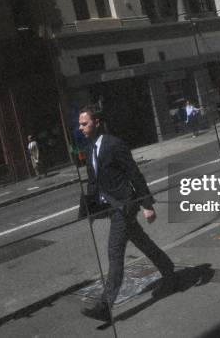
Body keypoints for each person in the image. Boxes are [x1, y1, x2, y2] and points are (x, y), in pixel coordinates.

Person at [77, 105, 177, 323]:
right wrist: (91, 210)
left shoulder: (114, 144)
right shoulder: (91, 148)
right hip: (113, 208)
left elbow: (134, 173)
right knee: (142, 242)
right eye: (80, 124)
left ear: (96, 123)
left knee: (114, 252)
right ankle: (169, 270)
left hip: (124, 205)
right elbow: (94, 182)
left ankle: (105, 305)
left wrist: (147, 204)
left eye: (84, 123)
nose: (80, 127)